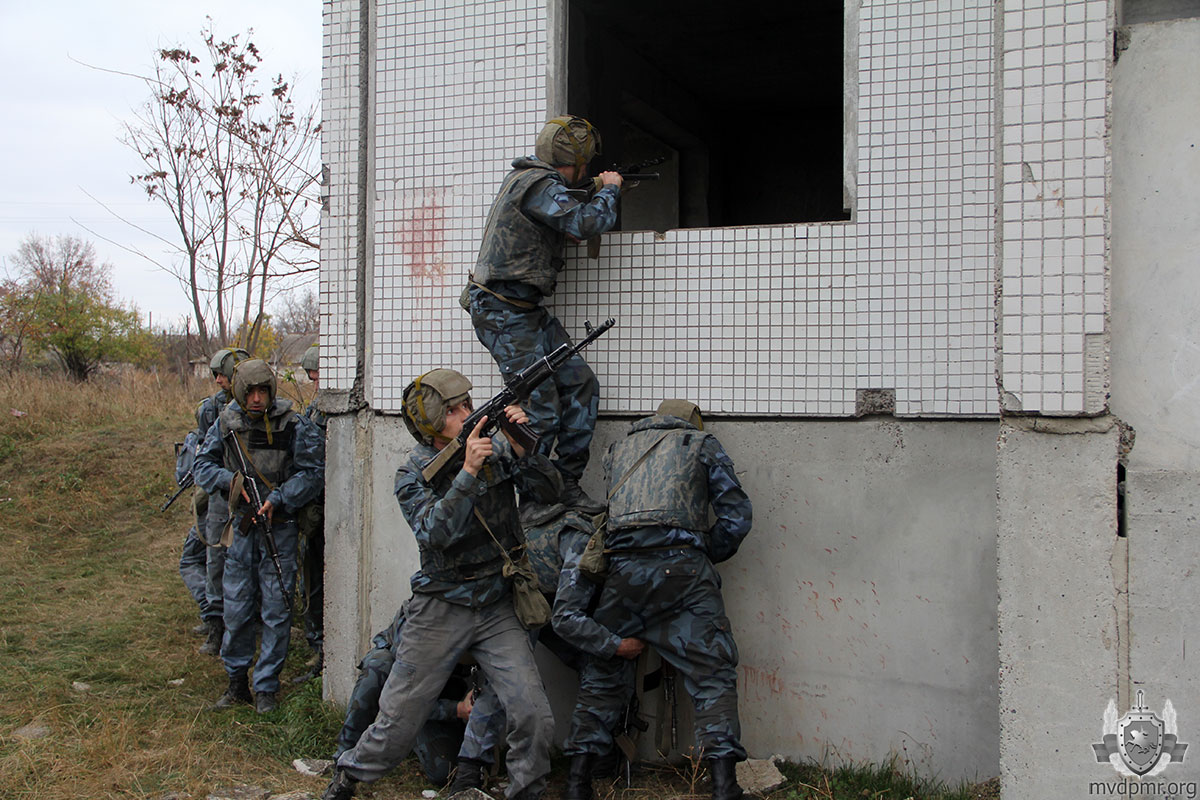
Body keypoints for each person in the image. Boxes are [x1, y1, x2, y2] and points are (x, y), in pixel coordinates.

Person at [322, 368, 560, 800]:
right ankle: (349, 775)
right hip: (440, 606)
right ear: (431, 423)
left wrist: (525, 447)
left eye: (467, 404)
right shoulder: (412, 474)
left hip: (496, 603)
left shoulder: (493, 449)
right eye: (454, 410)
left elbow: (551, 490)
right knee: (398, 721)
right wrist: (468, 471)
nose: (467, 413)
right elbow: (435, 533)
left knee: (533, 714)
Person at [560, 400, 753, 800]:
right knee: (712, 672)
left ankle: (577, 783)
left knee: (602, 676)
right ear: (692, 423)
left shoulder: (617, 450)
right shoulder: (700, 444)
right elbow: (736, 517)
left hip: (623, 573)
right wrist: (702, 554)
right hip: (684, 574)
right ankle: (724, 786)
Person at [465, 115, 623, 515]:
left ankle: (564, 484)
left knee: (581, 384)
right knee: (541, 409)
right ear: (579, 162)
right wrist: (610, 189)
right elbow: (584, 223)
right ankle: (533, 503)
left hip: (525, 311)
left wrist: (588, 192)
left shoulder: (534, 182)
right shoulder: (537, 184)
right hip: (502, 311)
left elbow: (564, 223)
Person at [194, 358, 325, 713]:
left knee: (277, 608)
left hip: (279, 528)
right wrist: (230, 482)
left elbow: (313, 473)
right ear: (240, 391)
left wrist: (280, 497)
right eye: (250, 392)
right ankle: (237, 682)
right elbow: (202, 465)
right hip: (242, 528)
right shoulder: (227, 422)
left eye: (262, 392)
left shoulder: (293, 424)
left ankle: (266, 686)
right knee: (237, 606)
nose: (256, 399)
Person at [333, 601, 505, 789]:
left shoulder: (488, 618)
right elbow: (402, 696)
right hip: (404, 690)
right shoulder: (421, 617)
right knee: (378, 666)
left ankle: (408, 737)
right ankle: (344, 759)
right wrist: (455, 709)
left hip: (440, 693)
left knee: (445, 773)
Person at [194, 347, 250, 656]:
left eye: (222, 375)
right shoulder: (211, 410)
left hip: (252, 494)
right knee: (215, 558)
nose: (217, 381)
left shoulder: (259, 405)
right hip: (221, 493)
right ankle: (215, 625)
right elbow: (206, 456)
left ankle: (247, 621)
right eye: (215, 375)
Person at [295, 343, 326, 682]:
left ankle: (322, 652)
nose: (314, 384)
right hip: (314, 509)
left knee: (318, 580)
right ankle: (317, 646)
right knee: (312, 580)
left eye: (317, 377)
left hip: (326, 509)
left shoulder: (326, 410)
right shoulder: (315, 408)